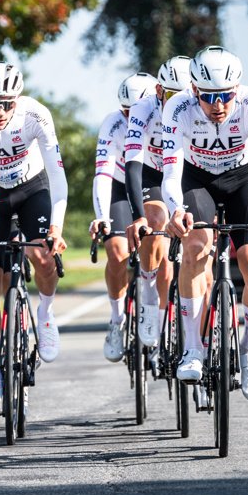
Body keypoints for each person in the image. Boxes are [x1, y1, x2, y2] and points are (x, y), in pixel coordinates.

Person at [163, 45, 248, 401]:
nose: (218, 105)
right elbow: (171, 173)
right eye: (209, 97)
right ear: (195, 91)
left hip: (243, 178)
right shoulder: (178, 108)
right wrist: (175, 209)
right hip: (196, 179)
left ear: (238, 89)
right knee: (196, 247)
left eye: (226, 96)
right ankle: (193, 348)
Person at [0, 62, 68, 417]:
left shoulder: (35, 115)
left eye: (7, 103)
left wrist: (56, 226)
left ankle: (46, 311)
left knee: (42, 255)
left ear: (18, 99)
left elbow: (57, 177)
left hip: (31, 187)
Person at [124, 57, 193, 352]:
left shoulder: (197, 105)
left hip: (191, 170)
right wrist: (139, 216)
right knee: (153, 222)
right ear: (158, 90)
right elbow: (132, 163)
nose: (176, 101)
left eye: (183, 94)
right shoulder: (143, 108)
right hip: (153, 171)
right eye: (170, 94)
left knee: (204, 239)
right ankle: (149, 294)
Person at [90, 73, 157, 363]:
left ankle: (155, 314)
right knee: (116, 252)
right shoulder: (113, 125)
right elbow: (103, 174)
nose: (132, 118)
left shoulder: (164, 117)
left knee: (159, 251)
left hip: (153, 181)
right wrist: (102, 216)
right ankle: (116, 321)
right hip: (119, 184)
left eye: (136, 110)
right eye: (126, 111)